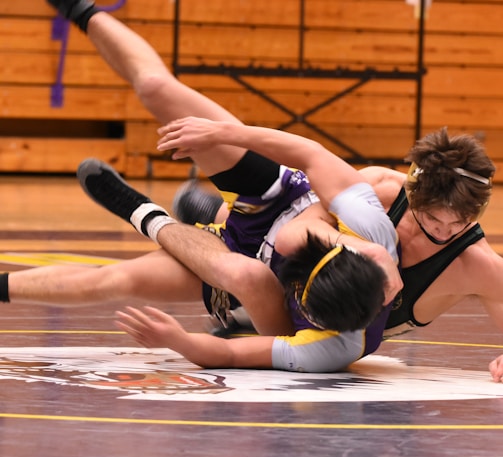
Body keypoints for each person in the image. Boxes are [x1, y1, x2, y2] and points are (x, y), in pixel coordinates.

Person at [3, 0, 400, 373]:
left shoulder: (332, 348)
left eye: (302, 303)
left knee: (117, 280)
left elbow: (229, 352)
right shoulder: (369, 237)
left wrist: (178, 340)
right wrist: (227, 132)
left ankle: (145, 214)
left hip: (245, 276)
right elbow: (314, 156)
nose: (296, 294)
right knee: (158, 89)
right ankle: (80, 8)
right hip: (278, 202)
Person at [165, 121, 503, 382]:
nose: (442, 231)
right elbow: (295, 227)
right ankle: (215, 214)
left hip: (337, 324)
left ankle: (212, 224)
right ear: (413, 196)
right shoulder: (380, 190)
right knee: (266, 234)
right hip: (298, 263)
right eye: (431, 217)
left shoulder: (477, 264)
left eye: (458, 223)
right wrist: (367, 250)